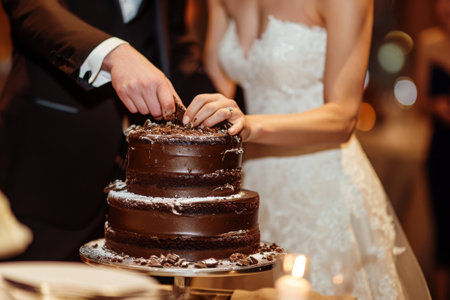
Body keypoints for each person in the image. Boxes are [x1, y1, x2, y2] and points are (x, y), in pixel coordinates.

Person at [183, 0, 432, 298]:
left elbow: (343, 117)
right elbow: (220, 88)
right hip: (249, 183)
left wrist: (250, 126)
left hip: (320, 183)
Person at [0, 0, 193, 261]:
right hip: (49, 161)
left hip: (136, 197)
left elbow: (173, 42)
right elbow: (31, 7)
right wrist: (116, 54)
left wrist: (201, 106)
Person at [415, 0, 450, 299]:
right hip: (442, 148)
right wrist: (436, 106)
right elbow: (420, 102)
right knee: (444, 224)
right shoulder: (429, 43)